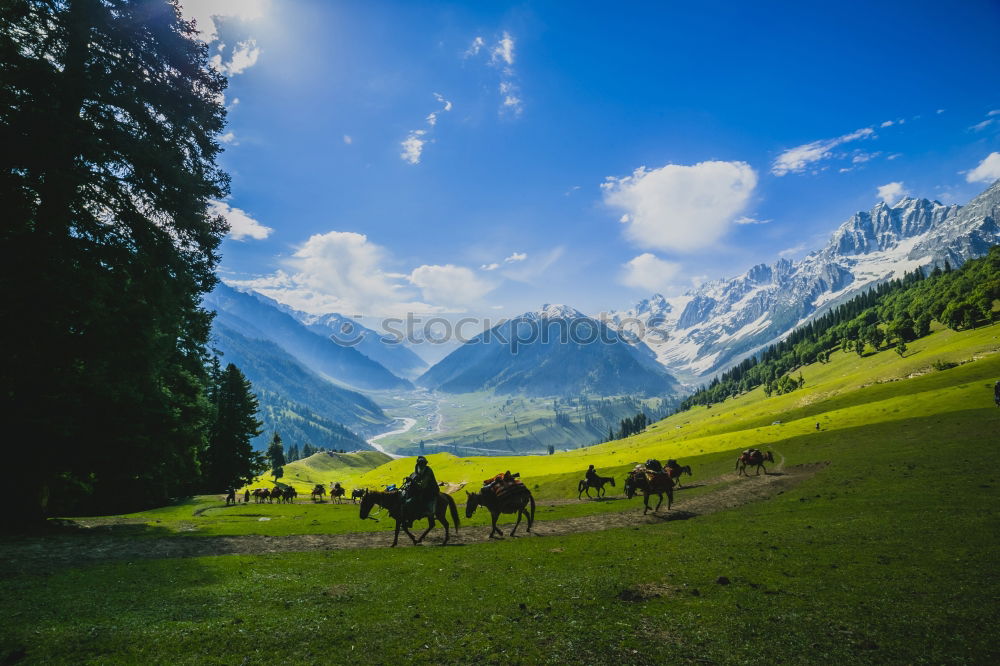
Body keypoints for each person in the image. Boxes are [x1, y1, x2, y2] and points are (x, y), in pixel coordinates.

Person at [403, 456, 437, 526]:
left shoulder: (428, 471)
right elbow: (414, 476)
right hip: (419, 489)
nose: (421, 465)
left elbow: (422, 486)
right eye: (420, 464)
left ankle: (421, 514)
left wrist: (412, 481)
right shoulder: (417, 468)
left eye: (423, 464)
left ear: (425, 464)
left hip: (429, 490)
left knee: (414, 501)